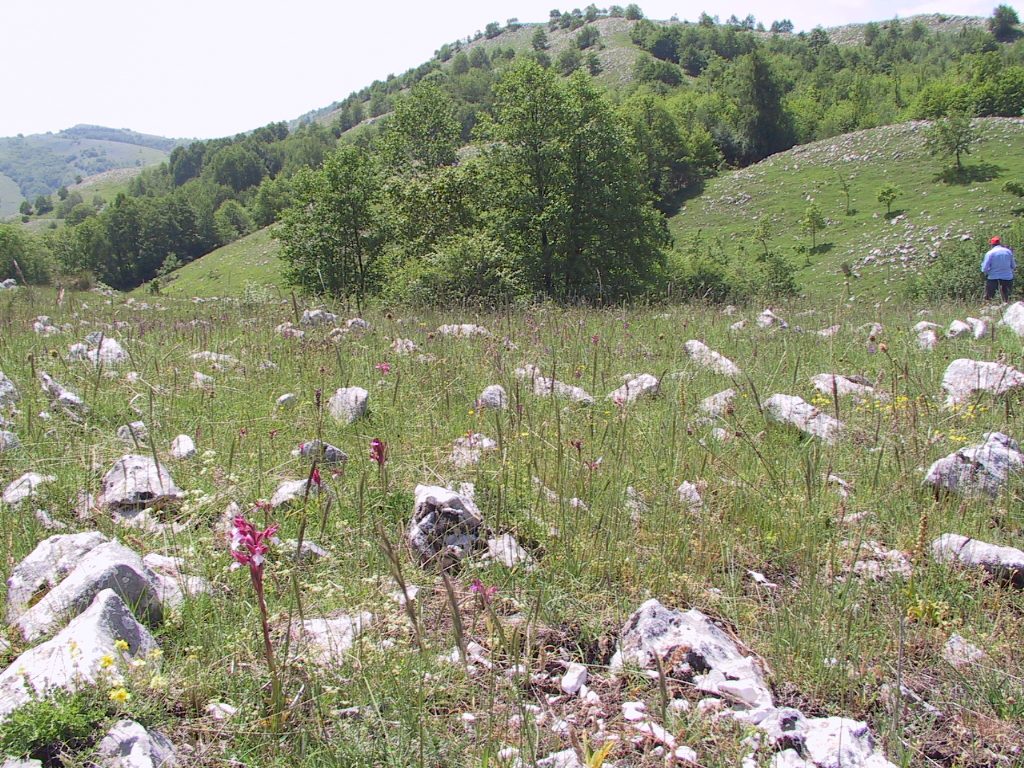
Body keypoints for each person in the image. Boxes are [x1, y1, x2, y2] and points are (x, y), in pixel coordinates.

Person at [981, 236, 1015, 302]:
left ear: (991, 244)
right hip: (1007, 277)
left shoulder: (990, 253)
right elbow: (1013, 266)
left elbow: (984, 268)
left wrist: (987, 272)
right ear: (1000, 243)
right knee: (1007, 299)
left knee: (990, 298)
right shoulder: (1008, 252)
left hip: (993, 278)